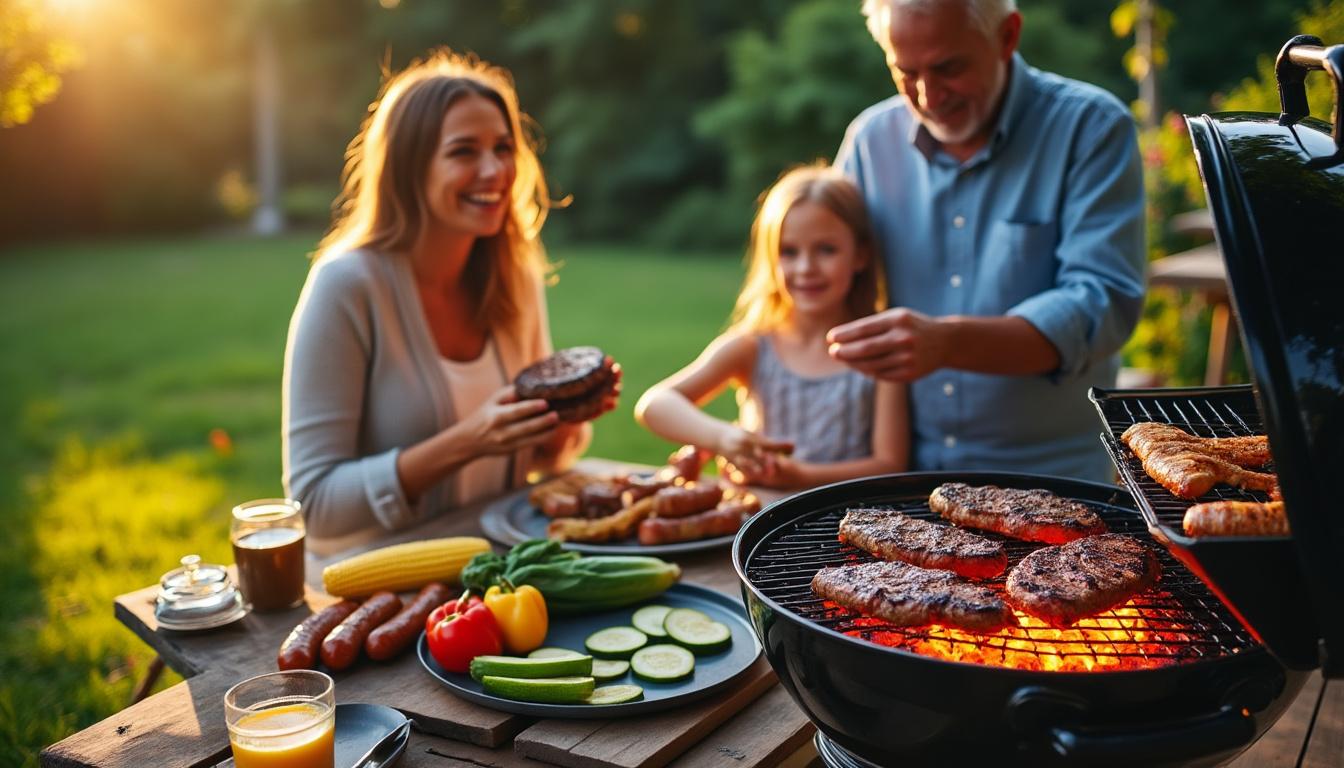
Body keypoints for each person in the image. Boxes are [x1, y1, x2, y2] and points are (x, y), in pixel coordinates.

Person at [283, 49, 612, 540]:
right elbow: (313, 504)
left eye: (503, 148)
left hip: (502, 571)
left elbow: (544, 461)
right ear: (408, 168)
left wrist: (562, 424)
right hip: (376, 585)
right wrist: (467, 441)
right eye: (464, 151)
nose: (494, 170)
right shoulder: (347, 285)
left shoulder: (512, 274)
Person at [827, 0, 1145, 482]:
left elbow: (1100, 308)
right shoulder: (870, 141)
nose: (928, 95)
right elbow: (817, 298)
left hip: (1056, 478)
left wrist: (948, 343)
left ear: (1007, 36)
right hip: (900, 480)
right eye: (905, 72)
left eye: (948, 68)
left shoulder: (1091, 127)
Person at [635, 165, 909, 490]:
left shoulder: (879, 351)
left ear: (860, 255)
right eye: (789, 252)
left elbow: (890, 464)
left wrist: (800, 477)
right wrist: (722, 438)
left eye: (826, 250)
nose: (806, 268)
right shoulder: (753, 346)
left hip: (845, 524)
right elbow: (655, 405)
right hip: (755, 525)